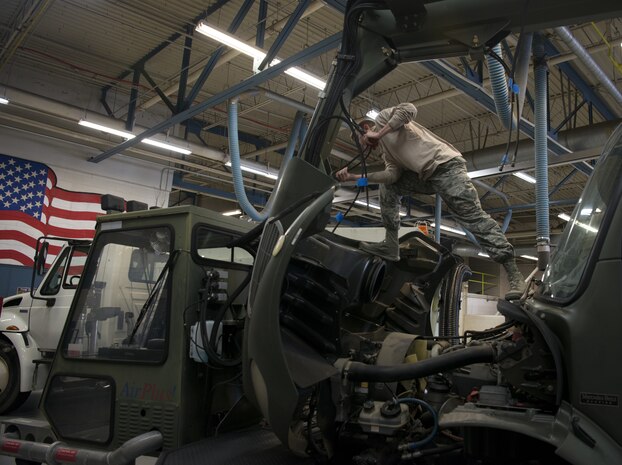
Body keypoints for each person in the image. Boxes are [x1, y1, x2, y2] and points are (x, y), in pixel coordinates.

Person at [336, 103, 526, 300]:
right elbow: (391, 176)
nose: (364, 147)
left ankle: (513, 273)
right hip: (428, 176)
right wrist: (354, 177)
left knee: (472, 218)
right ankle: (391, 246)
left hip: (447, 166)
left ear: (366, 129)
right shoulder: (388, 154)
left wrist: (379, 133)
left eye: (361, 141)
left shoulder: (382, 119)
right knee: (389, 188)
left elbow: (409, 109)